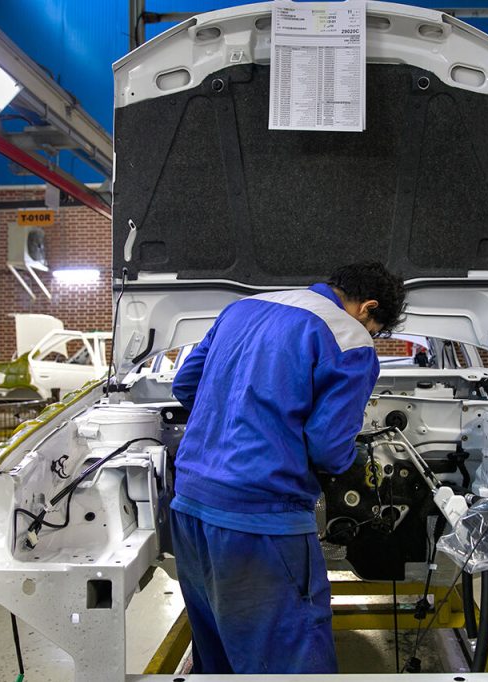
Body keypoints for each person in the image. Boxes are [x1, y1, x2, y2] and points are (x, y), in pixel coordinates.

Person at [169, 261, 406, 674]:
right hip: (260, 519)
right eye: (376, 329)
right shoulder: (350, 338)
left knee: (219, 652)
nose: (371, 337)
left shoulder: (242, 309)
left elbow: (185, 385)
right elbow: (328, 448)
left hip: (190, 504)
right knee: (290, 659)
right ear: (368, 308)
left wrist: (234, 421)